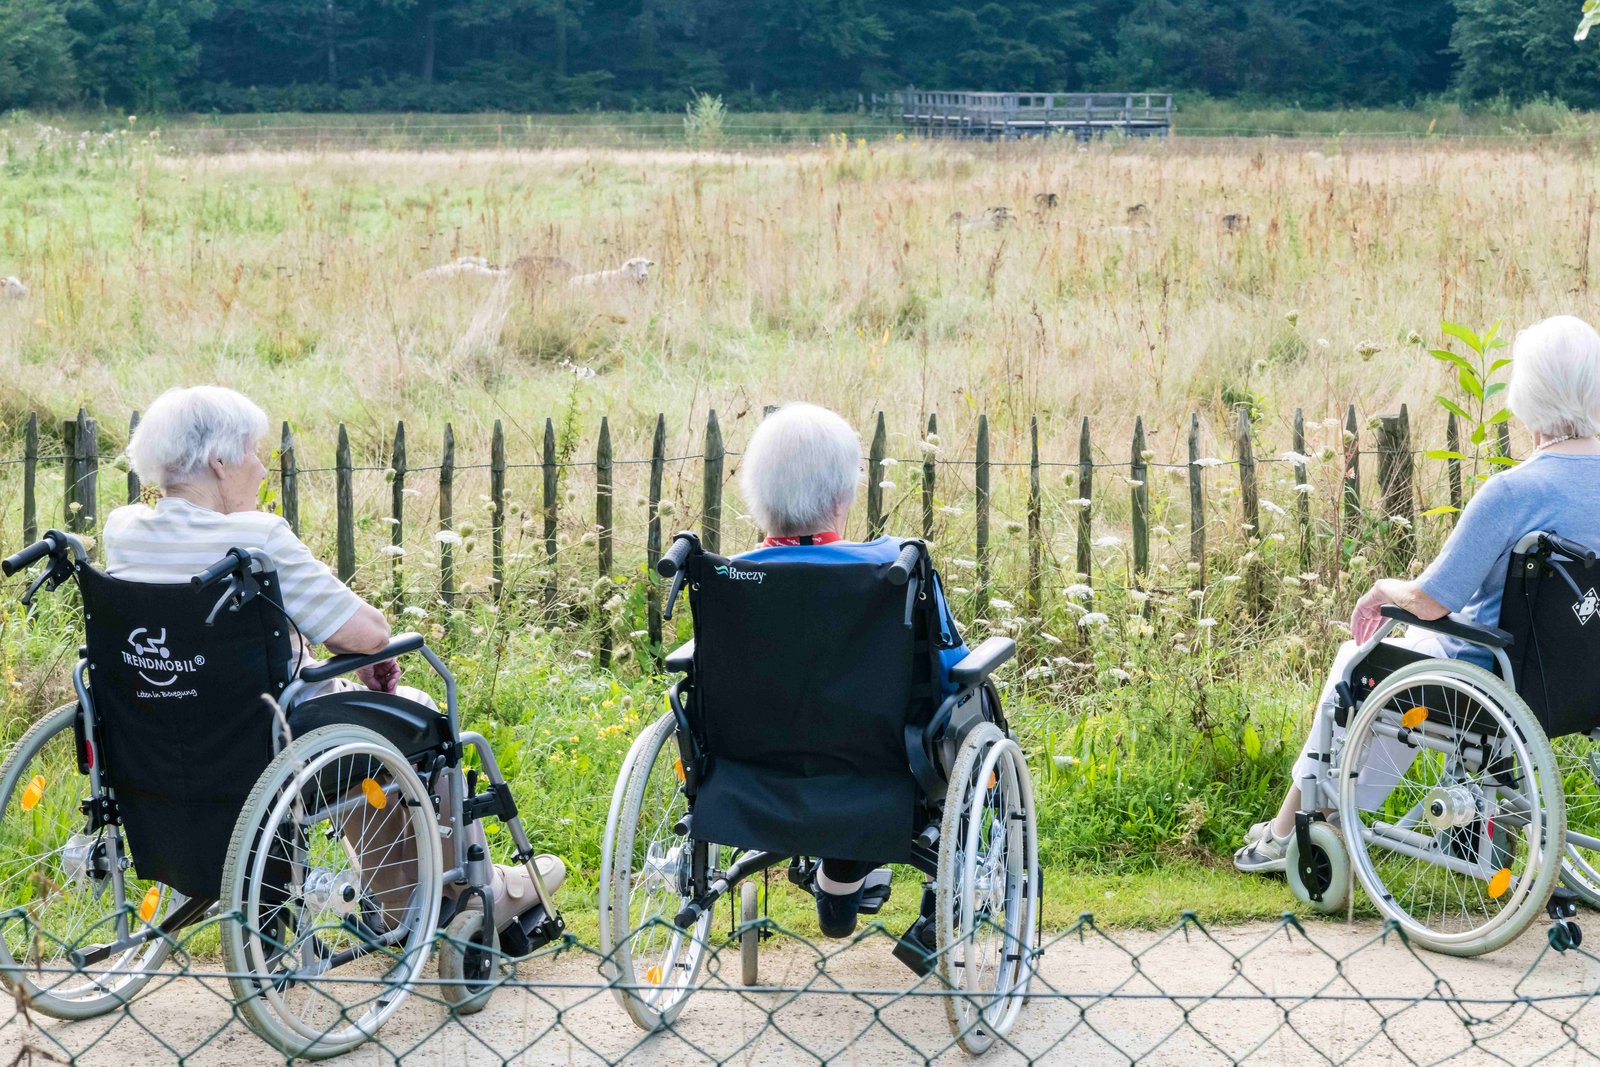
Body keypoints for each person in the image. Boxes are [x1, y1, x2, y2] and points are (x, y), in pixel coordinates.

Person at [107, 385, 565, 934]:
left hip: (161, 740)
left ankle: (404, 892)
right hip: (268, 743)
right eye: (254, 452)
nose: (260, 468)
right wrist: (358, 650)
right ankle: (467, 895)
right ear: (219, 462)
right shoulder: (254, 538)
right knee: (409, 710)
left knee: (339, 712)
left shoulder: (125, 533)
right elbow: (369, 632)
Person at [1236, 315, 1600, 872]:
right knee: (1402, 660)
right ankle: (1337, 824)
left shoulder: (1514, 492)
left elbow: (1432, 602)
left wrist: (1384, 587)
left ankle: (1292, 832)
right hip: (1585, 685)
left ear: (1525, 395)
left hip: (1495, 682)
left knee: (1359, 667)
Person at [737, 402, 969, 937]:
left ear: (758, 496)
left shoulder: (730, 579)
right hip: (880, 773)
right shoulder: (894, 568)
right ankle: (853, 878)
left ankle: (840, 883)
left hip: (755, 775)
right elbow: (950, 671)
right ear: (844, 495)